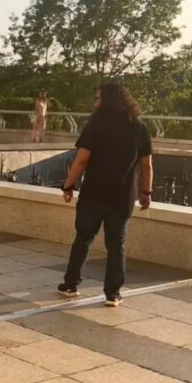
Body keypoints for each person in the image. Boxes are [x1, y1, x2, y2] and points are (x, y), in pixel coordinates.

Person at [58, 82, 153, 306]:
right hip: (122, 196)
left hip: (94, 194)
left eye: (99, 98)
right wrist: (146, 192)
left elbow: (81, 159)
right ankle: (113, 293)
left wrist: (68, 185)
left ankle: (71, 284)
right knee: (116, 244)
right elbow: (147, 165)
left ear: (107, 101)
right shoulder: (138, 126)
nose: (96, 102)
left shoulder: (96, 125)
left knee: (83, 238)